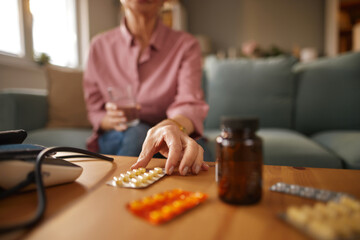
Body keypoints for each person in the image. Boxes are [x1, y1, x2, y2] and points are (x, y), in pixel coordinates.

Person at [83, 0, 210, 176]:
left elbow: (189, 102)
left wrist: (172, 126)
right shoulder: (99, 46)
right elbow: (94, 110)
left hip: (174, 127)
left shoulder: (186, 45)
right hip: (121, 134)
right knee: (138, 133)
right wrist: (111, 119)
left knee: (198, 150)